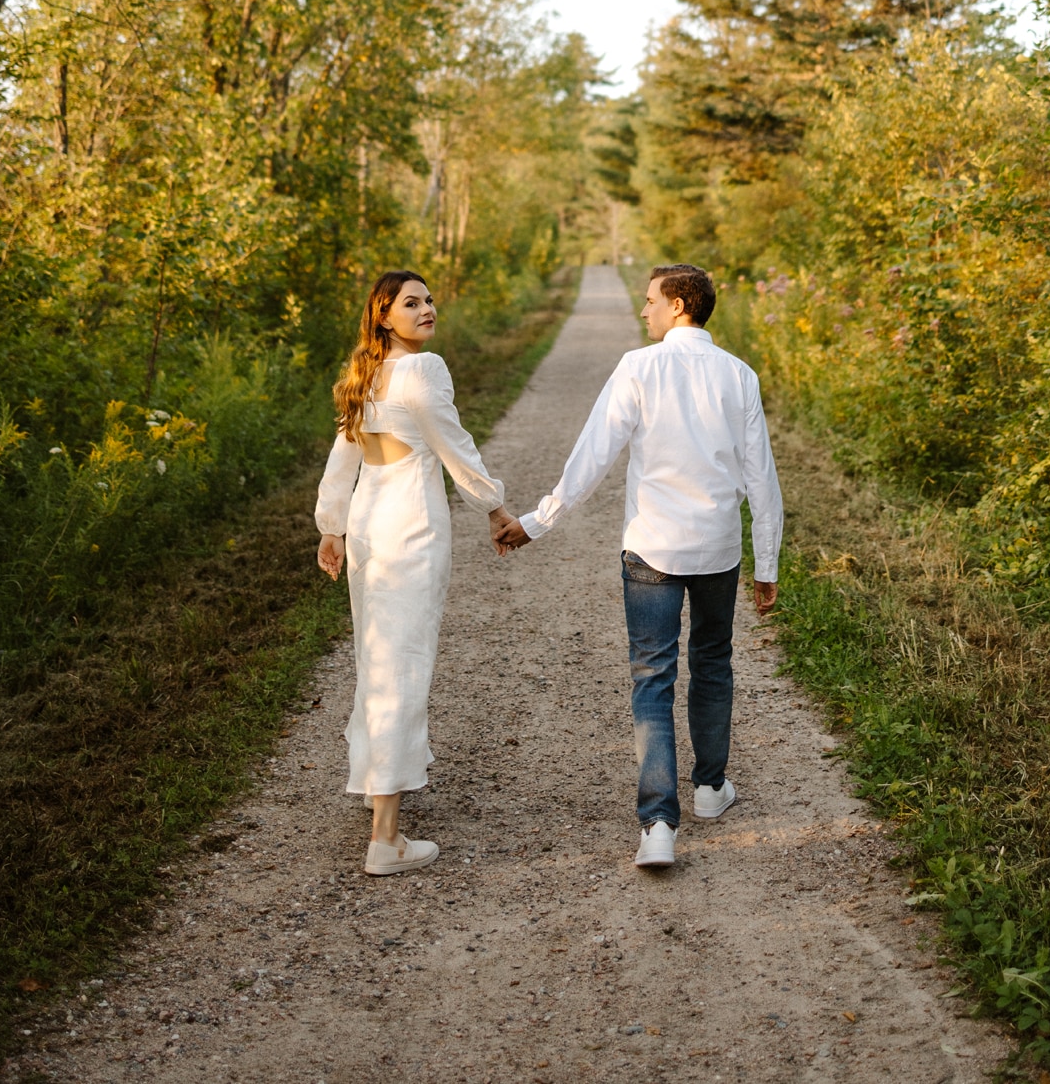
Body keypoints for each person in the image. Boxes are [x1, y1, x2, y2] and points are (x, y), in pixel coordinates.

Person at [494, 263, 782, 868]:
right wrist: (768, 563)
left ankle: (657, 825)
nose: (642, 310)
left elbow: (594, 452)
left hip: (651, 546)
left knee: (652, 677)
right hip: (718, 550)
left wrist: (538, 520)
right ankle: (709, 789)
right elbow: (762, 476)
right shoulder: (739, 374)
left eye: (650, 300)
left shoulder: (639, 367)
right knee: (712, 661)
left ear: (679, 304)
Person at [315, 270, 513, 877]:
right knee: (402, 664)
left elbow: (344, 454)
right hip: (409, 528)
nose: (428, 309)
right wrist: (496, 506)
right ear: (383, 314)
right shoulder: (424, 371)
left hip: (372, 525)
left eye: (428, 300)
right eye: (412, 302)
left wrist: (332, 523)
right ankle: (385, 839)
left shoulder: (365, 373)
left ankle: (383, 789)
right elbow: (454, 445)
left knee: (378, 658)